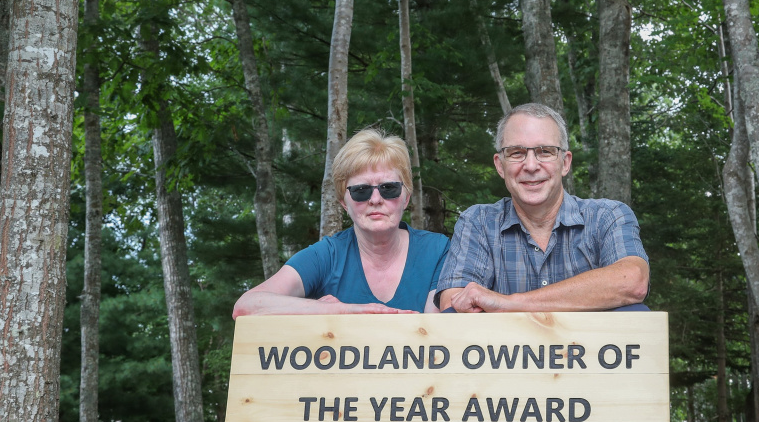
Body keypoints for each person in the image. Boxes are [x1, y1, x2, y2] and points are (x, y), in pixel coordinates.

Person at [435, 103, 649, 312]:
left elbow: (632, 280)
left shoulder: (607, 216)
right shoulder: (478, 222)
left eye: (545, 151)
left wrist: (508, 303)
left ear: (565, 163)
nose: (530, 165)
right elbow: (455, 303)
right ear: (500, 165)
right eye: (516, 152)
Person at [233, 129, 448, 316]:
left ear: (406, 196)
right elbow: (246, 306)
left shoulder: (438, 251)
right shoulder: (326, 256)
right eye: (360, 191)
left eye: (388, 188)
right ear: (344, 202)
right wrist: (338, 310)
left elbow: (434, 329)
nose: (375, 200)